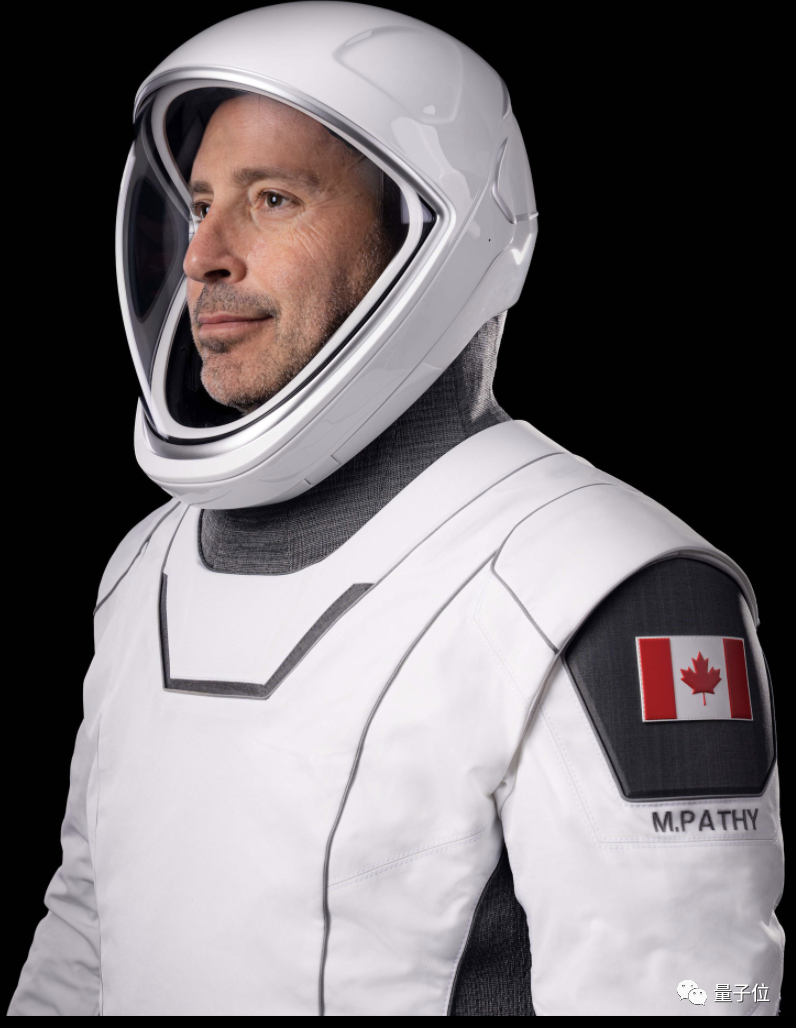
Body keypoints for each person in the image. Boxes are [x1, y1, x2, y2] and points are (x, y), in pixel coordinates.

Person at [7, 2, 783, 1017]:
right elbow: (82, 941)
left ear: (431, 230)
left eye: (272, 198)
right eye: (198, 205)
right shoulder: (145, 566)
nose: (203, 257)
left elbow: (699, 994)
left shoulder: (609, 587)